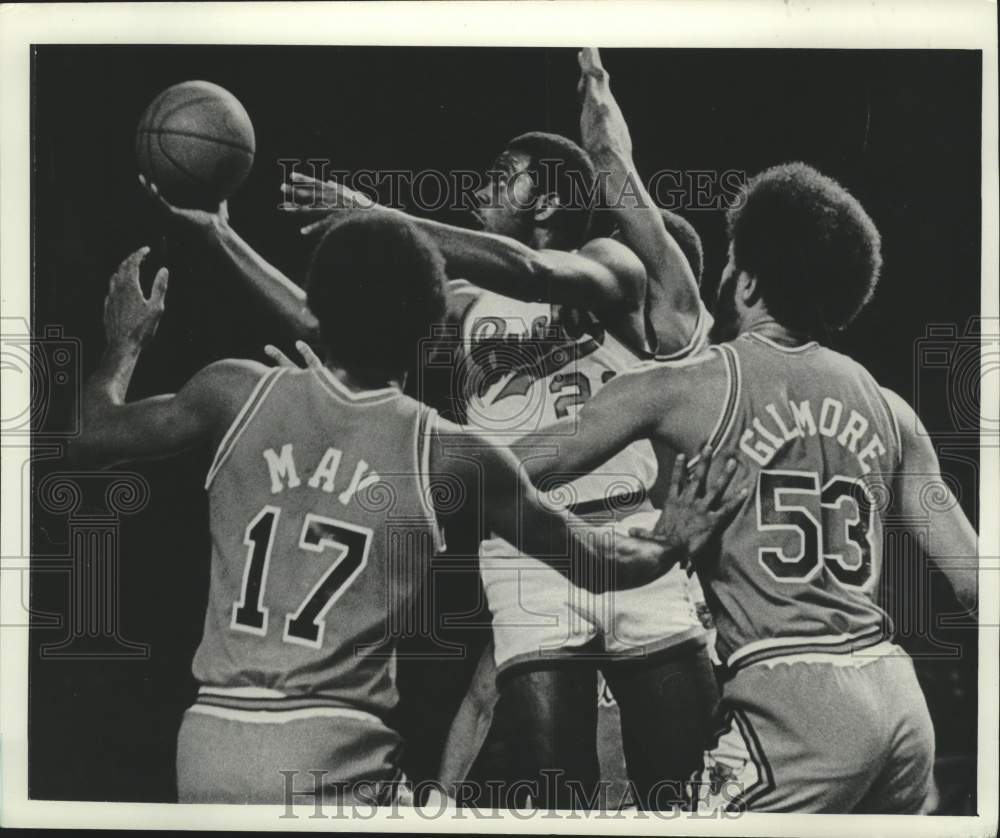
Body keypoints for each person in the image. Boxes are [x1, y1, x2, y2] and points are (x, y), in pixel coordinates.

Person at [71, 214, 742, 805]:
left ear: (320, 312)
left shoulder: (231, 392)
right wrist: (671, 540)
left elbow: (92, 432)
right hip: (333, 752)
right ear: (431, 330)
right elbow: (598, 561)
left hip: (208, 743)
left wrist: (123, 342)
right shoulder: (451, 454)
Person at [513, 153, 979, 812]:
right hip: (900, 703)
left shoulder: (686, 385)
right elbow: (974, 580)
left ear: (750, 283)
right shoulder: (892, 409)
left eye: (732, 263)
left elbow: (508, 467)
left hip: (795, 701)